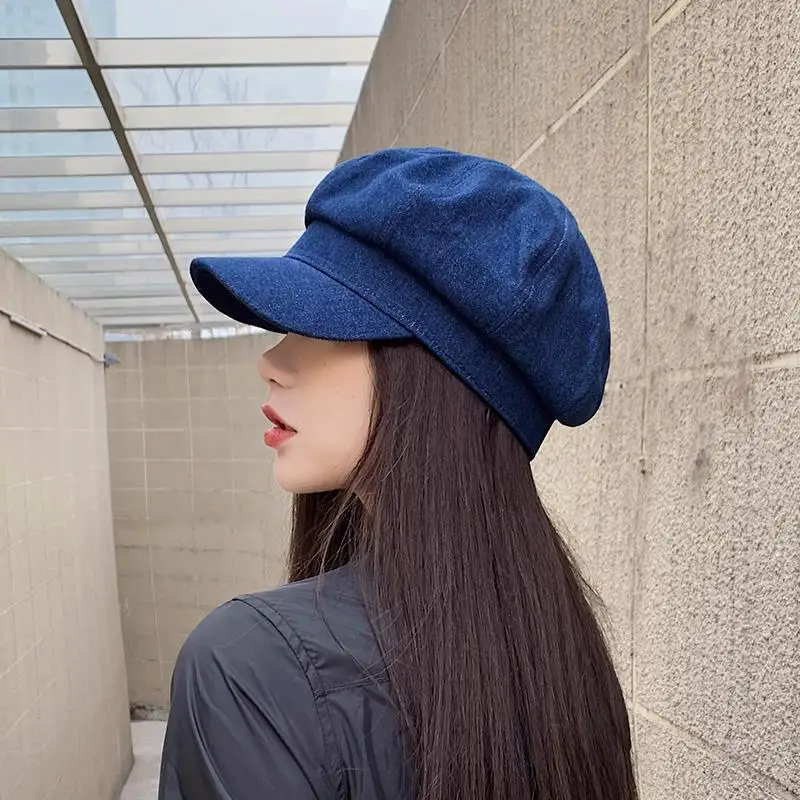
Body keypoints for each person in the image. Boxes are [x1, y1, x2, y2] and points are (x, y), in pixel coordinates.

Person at [158, 147, 638, 800]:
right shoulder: (562, 656)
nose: (270, 361)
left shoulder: (249, 668)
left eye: (320, 323)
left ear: (433, 376)